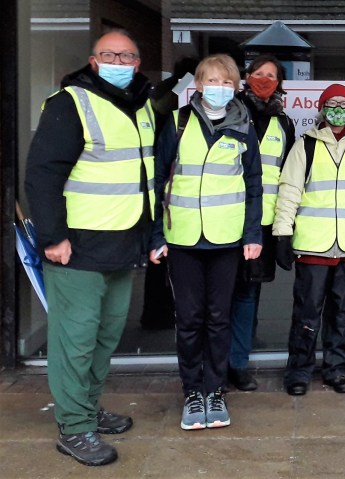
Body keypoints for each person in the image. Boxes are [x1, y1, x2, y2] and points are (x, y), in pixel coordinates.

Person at [24, 29, 152, 467]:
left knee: (105, 337)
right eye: (109, 55)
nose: (119, 61)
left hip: (121, 243)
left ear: (137, 63)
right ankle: (74, 427)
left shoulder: (140, 105)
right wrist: (52, 237)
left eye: (127, 56)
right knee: (75, 341)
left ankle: (88, 408)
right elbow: (42, 174)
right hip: (76, 247)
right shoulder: (70, 103)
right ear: (94, 60)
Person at [150, 54, 262, 429]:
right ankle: (192, 392)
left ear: (236, 87)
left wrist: (252, 234)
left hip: (226, 240)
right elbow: (158, 182)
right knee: (189, 319)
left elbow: (254, 185)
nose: (219, 87)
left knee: (218, 319)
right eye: (212, 80)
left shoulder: (244, 126)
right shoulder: (178, 122)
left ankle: (214, 390)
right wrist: (156, 234)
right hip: (182, 238)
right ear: (198, 84)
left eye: (227, 82)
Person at [273, 83, 345, 396]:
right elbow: (289, 191)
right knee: (307, 313)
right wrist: (282, 233)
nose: (338, 109)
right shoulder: (305, 146)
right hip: (313, 246)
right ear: (322, 109)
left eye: (344, 104)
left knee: (341, 313)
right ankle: (298, 372)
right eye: (332, 104)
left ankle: (336, 370)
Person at [227, 55, 296, 391]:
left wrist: (284, 229)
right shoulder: (230, 112)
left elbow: (288, 175)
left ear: (280, 83)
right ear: (247, 76)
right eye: (259, 73)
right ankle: (225, 360)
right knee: (226, 293)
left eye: (272, 75)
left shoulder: (284, 123)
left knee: (248, 292)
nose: (265, 79)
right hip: (226, 216)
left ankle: (238, 360)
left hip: (263, 222)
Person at [139, 57, 199, 331]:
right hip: (169, 173)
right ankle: (158, 313)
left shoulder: (165, 89)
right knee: (163, 254)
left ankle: (157, 313)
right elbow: (163, 111)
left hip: (166, 172)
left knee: (161, 256)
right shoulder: (174, 92)